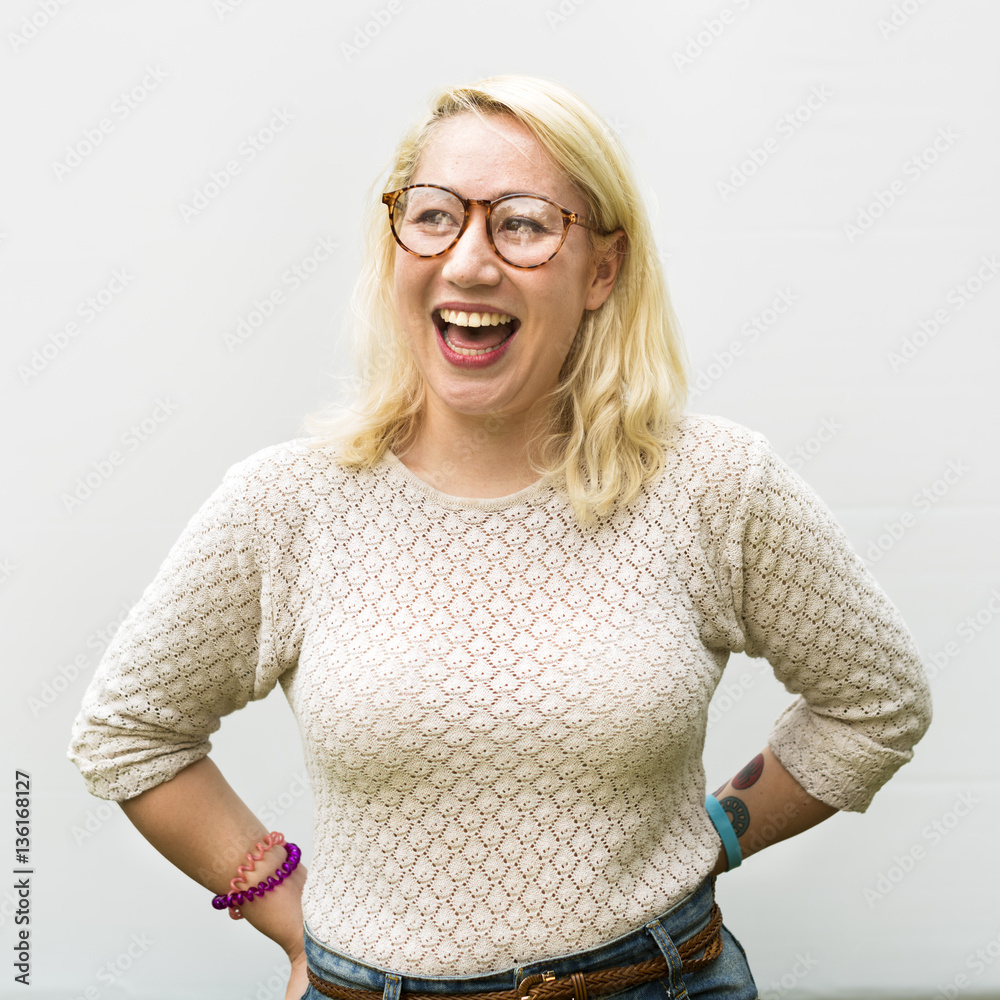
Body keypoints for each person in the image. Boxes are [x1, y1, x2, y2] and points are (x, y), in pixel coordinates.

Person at [68, 75, 932, 1000]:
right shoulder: (288, 504)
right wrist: (290, 916)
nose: (470, 263)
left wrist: (713, 834)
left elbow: (876, 704)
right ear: (396, 241)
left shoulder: (714, 486)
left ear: (602, 269)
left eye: (522, 223)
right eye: (434, 215)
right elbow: (131, 735)